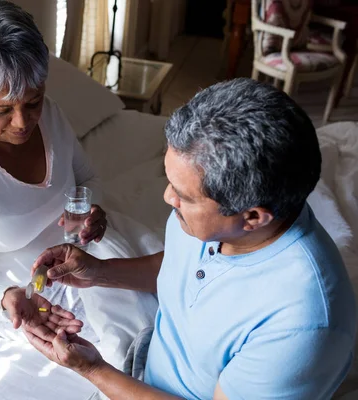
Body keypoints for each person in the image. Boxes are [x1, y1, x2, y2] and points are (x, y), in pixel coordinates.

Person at [24, 78, 357, 399]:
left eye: (185, 195)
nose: (169, 197)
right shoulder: (214, 220)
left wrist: (93, 369)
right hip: (147, 364)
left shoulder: (301, 324)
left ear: (253, 217)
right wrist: (99, 272)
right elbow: (181, 267)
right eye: (170, 181)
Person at [0, 0, 159, 368]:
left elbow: (87, 179)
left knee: (185, 289)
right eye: (3, 110)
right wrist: (4, 297)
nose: (23, 122)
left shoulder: (51, 115)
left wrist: (91, 212)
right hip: (29, 295)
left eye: (33, 101)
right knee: (134, 350)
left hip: (83, 255)